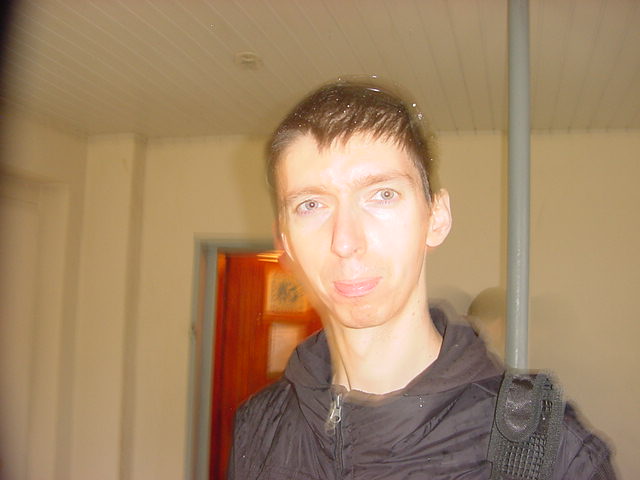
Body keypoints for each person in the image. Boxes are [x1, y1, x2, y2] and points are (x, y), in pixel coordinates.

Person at [228, 80, 615, 479]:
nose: (345, 241)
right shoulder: (259, 426)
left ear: (436, 218)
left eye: (382, 195)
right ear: (285, 241)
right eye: (311, 205)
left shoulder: (550, 450)